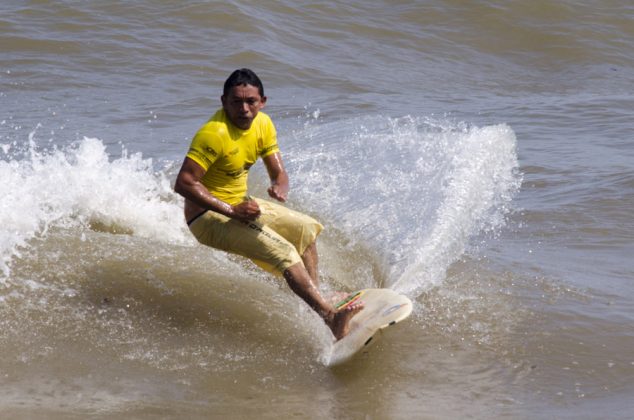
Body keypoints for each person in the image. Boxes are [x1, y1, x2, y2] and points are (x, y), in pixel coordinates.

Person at [174, 68, 362, 340]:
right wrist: (231, 211)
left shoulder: (263, 124)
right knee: (284, 252)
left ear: (263, 101)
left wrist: (279, 186)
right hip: (206, 218)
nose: (244, 109)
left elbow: (278, 172)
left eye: (251, 101)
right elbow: (184, 183)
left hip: (241, 205)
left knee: (306, 229)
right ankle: (330, 318)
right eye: (236, 102)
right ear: (223, 102)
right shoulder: (214, 134)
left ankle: (316, 301)